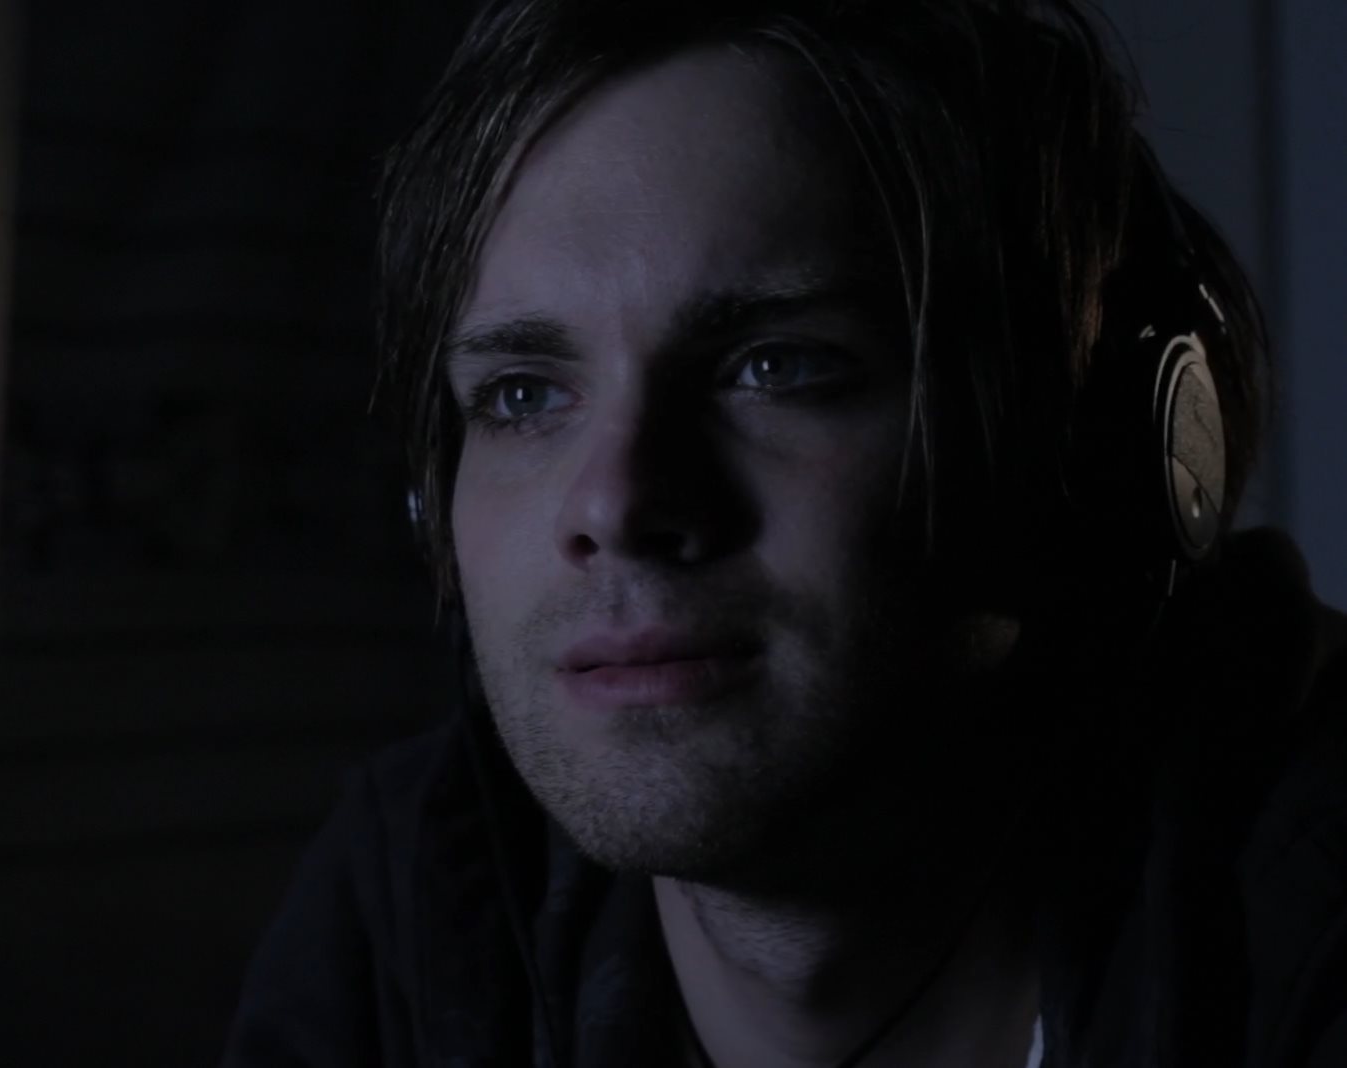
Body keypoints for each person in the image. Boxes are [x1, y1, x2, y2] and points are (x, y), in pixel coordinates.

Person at [221, 1, 1346, 1065]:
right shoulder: (424, 910)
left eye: (778, 366)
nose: (614, 505)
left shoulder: (1306, 899)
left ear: (1089, 458)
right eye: (522, 395)